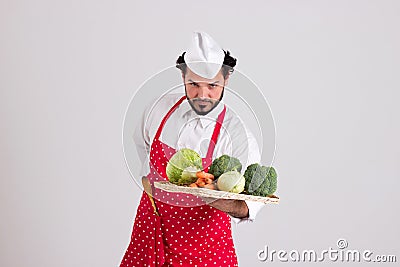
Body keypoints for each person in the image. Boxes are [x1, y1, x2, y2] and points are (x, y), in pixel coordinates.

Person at [120, 32, 264, 267]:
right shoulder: (158, 109)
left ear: (227, 78)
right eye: (194, 84)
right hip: (149, 236)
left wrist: (208, 195)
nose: (202, 95)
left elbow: (247, 207)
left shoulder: (238, 137)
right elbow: (140, 145)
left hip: (204, 253)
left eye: (213, 85)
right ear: (183, 75)